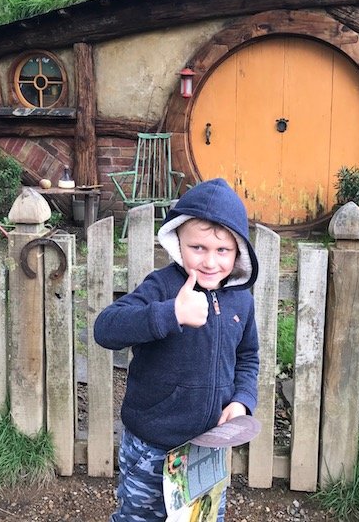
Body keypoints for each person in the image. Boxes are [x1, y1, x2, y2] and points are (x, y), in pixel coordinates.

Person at [94, 178, 260, 522]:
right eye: (197, 247)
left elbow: (247, 357)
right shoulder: (162, 286)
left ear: (238, 251)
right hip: (152, 447)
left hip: (207, 448)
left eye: (222, 251)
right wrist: (169, 314)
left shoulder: (241, 300)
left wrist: (242, 399)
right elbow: (106, 328)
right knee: (140, 516)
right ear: (177, 241)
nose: (210, 262)